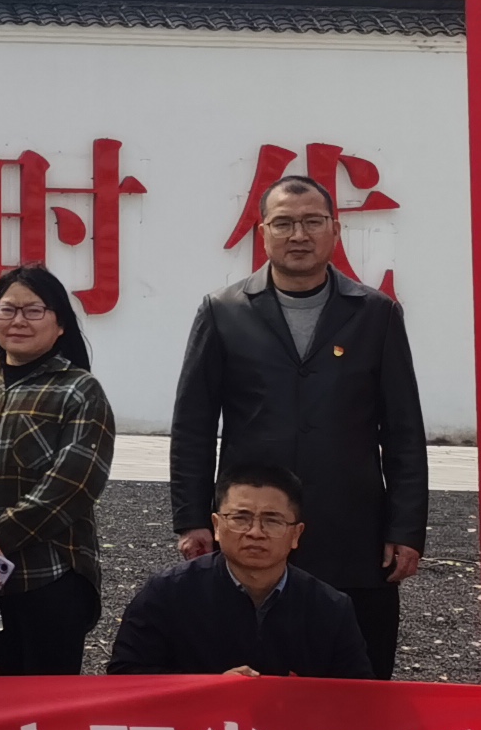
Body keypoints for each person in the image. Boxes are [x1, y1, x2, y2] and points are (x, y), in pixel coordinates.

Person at [170, 169, 430, 677]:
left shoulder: (375, 314)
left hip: (351, 531)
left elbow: (403, 432)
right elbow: (193, 425)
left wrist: (405, 528)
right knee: (248, 678)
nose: (299, 235)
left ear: (335, 230)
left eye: (312, 222)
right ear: (262, 232)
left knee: (358, 682)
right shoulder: (224, 311)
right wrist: (192, 518)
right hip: (253, 527)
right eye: (284, 223)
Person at [0, 264, 117, 678]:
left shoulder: (79, 390)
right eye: (7, 309)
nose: (18, 321)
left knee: (43, 701)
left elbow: (73, 484)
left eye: (33, 311)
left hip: (48, 577)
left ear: (60, 324)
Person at [107, 462, 370, 679]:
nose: (255, 532)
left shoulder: (330, 608)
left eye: (272, 521)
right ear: (216, 526)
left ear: (296, 534)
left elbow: (359, 696)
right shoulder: (167, 593)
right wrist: (212, 688)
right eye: (240, 518)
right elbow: (125, 676)